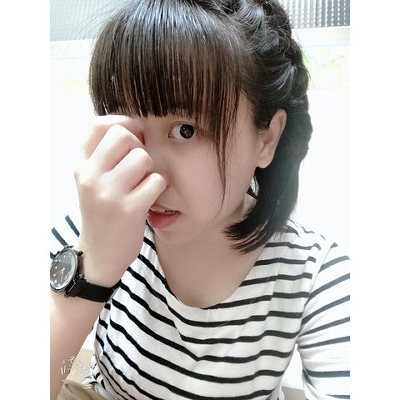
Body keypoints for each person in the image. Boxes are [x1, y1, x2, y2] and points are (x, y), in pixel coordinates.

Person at [50, 0, 350, 399]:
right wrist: (94, 268)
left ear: (266, 138)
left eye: (186, 130)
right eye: (131, 127)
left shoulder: (313, 274)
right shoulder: (96, 226)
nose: (147, 172)